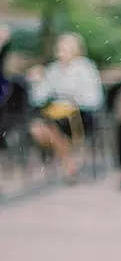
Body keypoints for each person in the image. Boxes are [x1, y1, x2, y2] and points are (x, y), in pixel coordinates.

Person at [28, 32, 104, 181]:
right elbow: (38, 99)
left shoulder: (85, 68)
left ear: (76, 50)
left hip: (81, 114)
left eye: (66, 48)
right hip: (57, 114)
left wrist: (70, 100)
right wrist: (38, 81)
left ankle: (68, 164)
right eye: (60, 48)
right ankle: (69, 161)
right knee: (37, 129)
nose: (62, 52)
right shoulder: (53, 69)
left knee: (53, 128)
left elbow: (94, 99)